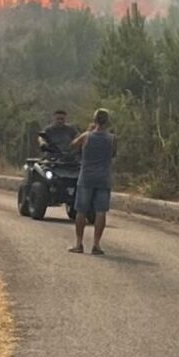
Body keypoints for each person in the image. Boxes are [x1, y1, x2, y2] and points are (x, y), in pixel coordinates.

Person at [69, 108, 117, 255]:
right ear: (107, 121)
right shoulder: (112, 138)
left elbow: (73, 145)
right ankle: (96, 244)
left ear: (94, 120)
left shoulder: (86, 136)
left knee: (81, 211)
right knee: (101, 212)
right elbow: (113, 154)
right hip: (103, 178)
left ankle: (79, 243)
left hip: (86, 177)